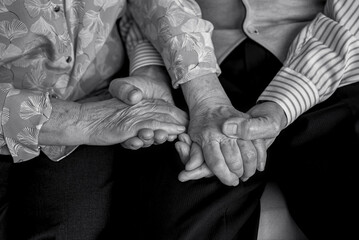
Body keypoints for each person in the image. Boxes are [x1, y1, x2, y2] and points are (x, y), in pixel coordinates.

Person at [117, 0, 359, 239]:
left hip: (325, 66)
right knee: (174, 224)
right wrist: (152, 68)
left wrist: (283, 102)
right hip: (196, 71)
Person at [0, 1, 189, 239]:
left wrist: (149, 68)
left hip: (99, 98)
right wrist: (81, 120)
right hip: (86, 116)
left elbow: (148, 5)